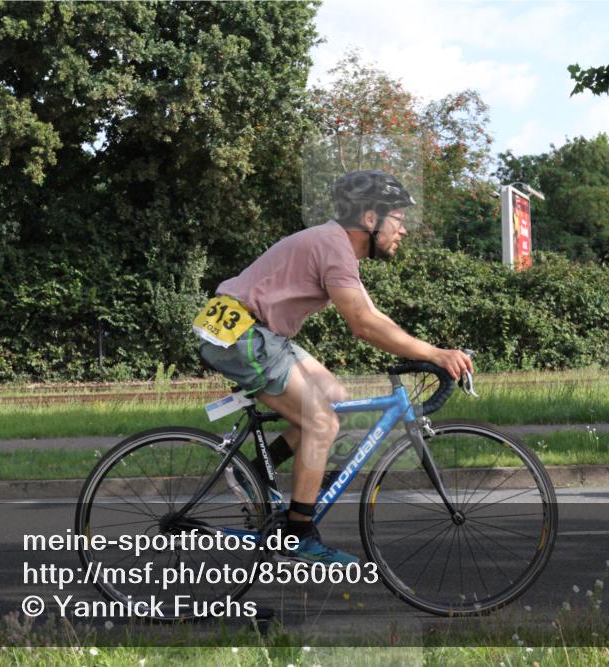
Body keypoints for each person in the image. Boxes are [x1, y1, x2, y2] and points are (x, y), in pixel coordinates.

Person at [192, 170, 473, 564]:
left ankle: (253, 471)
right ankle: (299, 536)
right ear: (370, 219)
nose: (403, 230)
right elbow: (363, 324)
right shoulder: (333, 246)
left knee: (337, 401)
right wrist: (435, 354)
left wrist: (430, 352)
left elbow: (375, 316)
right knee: (320, 421)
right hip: (244, 335)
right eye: (399, 219)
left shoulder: (334, 244)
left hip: (258, 332)